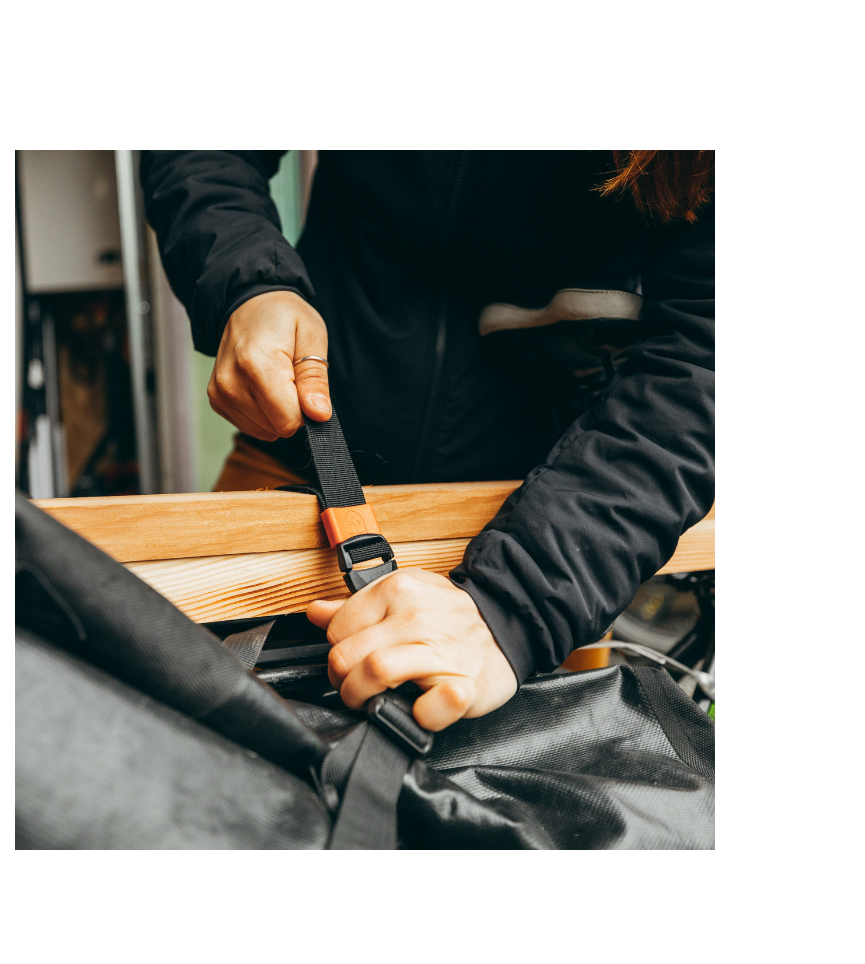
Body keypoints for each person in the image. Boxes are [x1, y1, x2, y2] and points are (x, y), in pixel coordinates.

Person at [141, 150, 715, 732]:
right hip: (299, 471)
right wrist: (248, 281)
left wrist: (516, 604)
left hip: (545, 524)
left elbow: (701, 359)